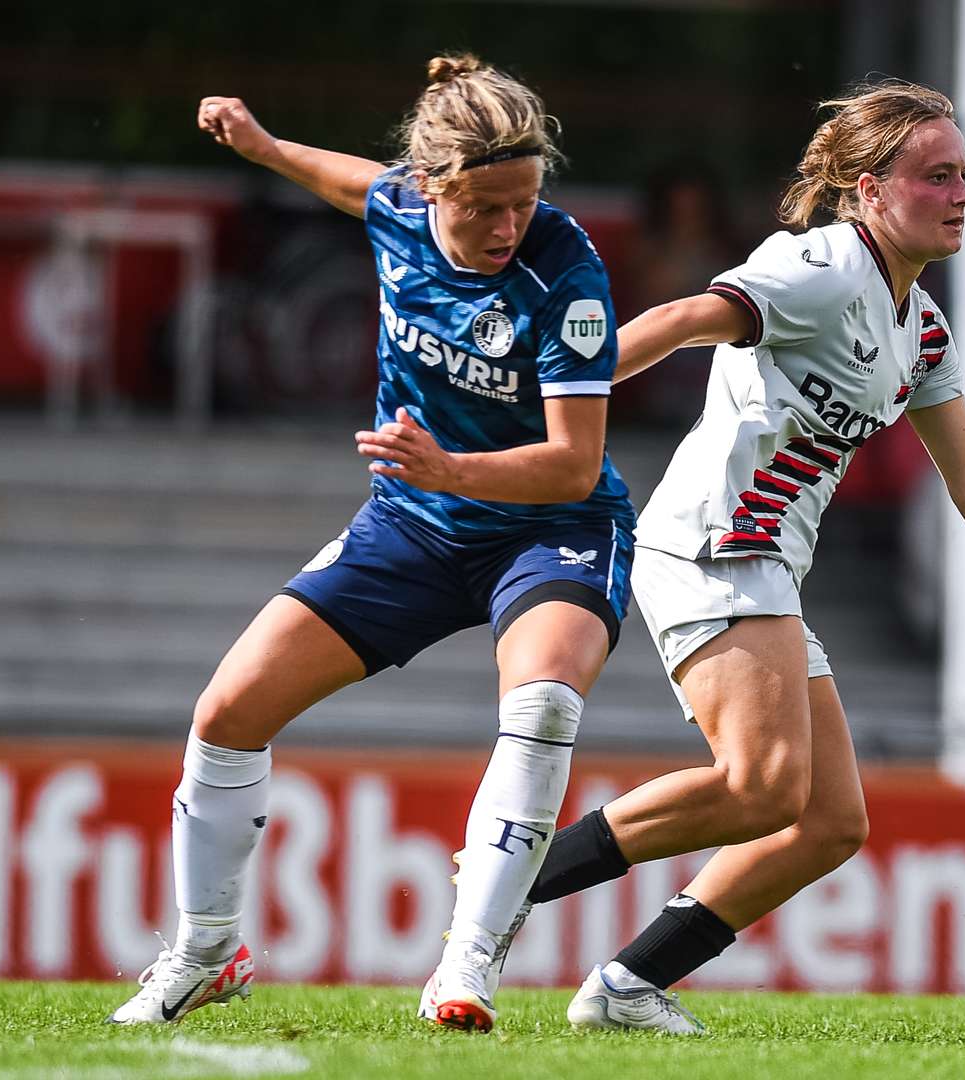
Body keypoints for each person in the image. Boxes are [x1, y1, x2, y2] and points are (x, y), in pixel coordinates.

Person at [369, 79, 965, 1033]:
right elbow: (690, 317)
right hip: (712, 547)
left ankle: (628, 985)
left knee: (829, 824)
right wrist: (568, 386)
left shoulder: (921, 328)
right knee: (764, 785)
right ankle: (514, 874)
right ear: (867, 187)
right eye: (937, 177)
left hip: (767, 562)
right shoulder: (820, 269)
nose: (963, 196)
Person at [108, 55, 636, 1035]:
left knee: (546, 701)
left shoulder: (568, 271)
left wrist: (450, 470)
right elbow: (348, 180)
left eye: (523, 202)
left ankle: (466, 967)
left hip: (550, 529)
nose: (507, 225)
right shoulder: (399, 205)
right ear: (432, 187)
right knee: (227, 711)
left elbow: (572, 465)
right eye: (485, 206)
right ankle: (206, 951)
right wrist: (264, 147)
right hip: (413, 525)